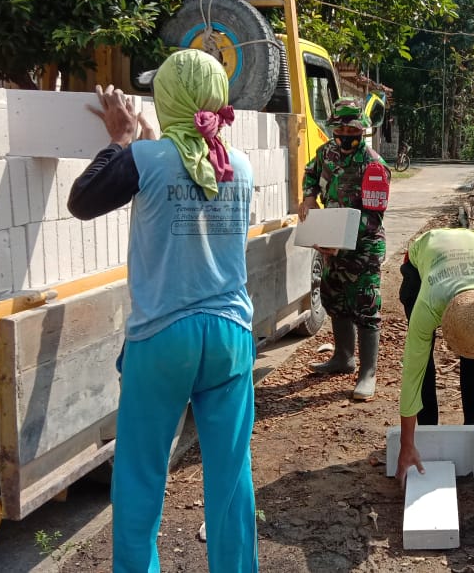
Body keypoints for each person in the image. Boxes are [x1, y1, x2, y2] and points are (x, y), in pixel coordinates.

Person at [67, 49, 258, 573]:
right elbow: (192, 193)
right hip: (230, 338)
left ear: (170, 98)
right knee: (230, 473)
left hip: (163, 338)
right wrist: (153, 144)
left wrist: (121, 139)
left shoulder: (142, 160)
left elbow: (82, 201)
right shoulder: (238, 165)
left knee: (141, 474)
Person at [394, 228, 474, 484]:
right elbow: (413, 371)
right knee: (424, 363)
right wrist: (406, 442)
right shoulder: (430, 303)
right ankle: (428, 432)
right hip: (422, 262)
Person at [298, 97, 388, 401]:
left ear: (361, 131)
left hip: (363, 246)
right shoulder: (327, 152)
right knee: (334, 298)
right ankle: (343, 358)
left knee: (365, 304)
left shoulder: (374, 164)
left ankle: (368, 373)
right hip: (330, 242)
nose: (346, 136)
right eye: (341, 130)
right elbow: (311, 173)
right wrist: (309, 197)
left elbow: (373, 216)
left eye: (352, 130)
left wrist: (343, 240)